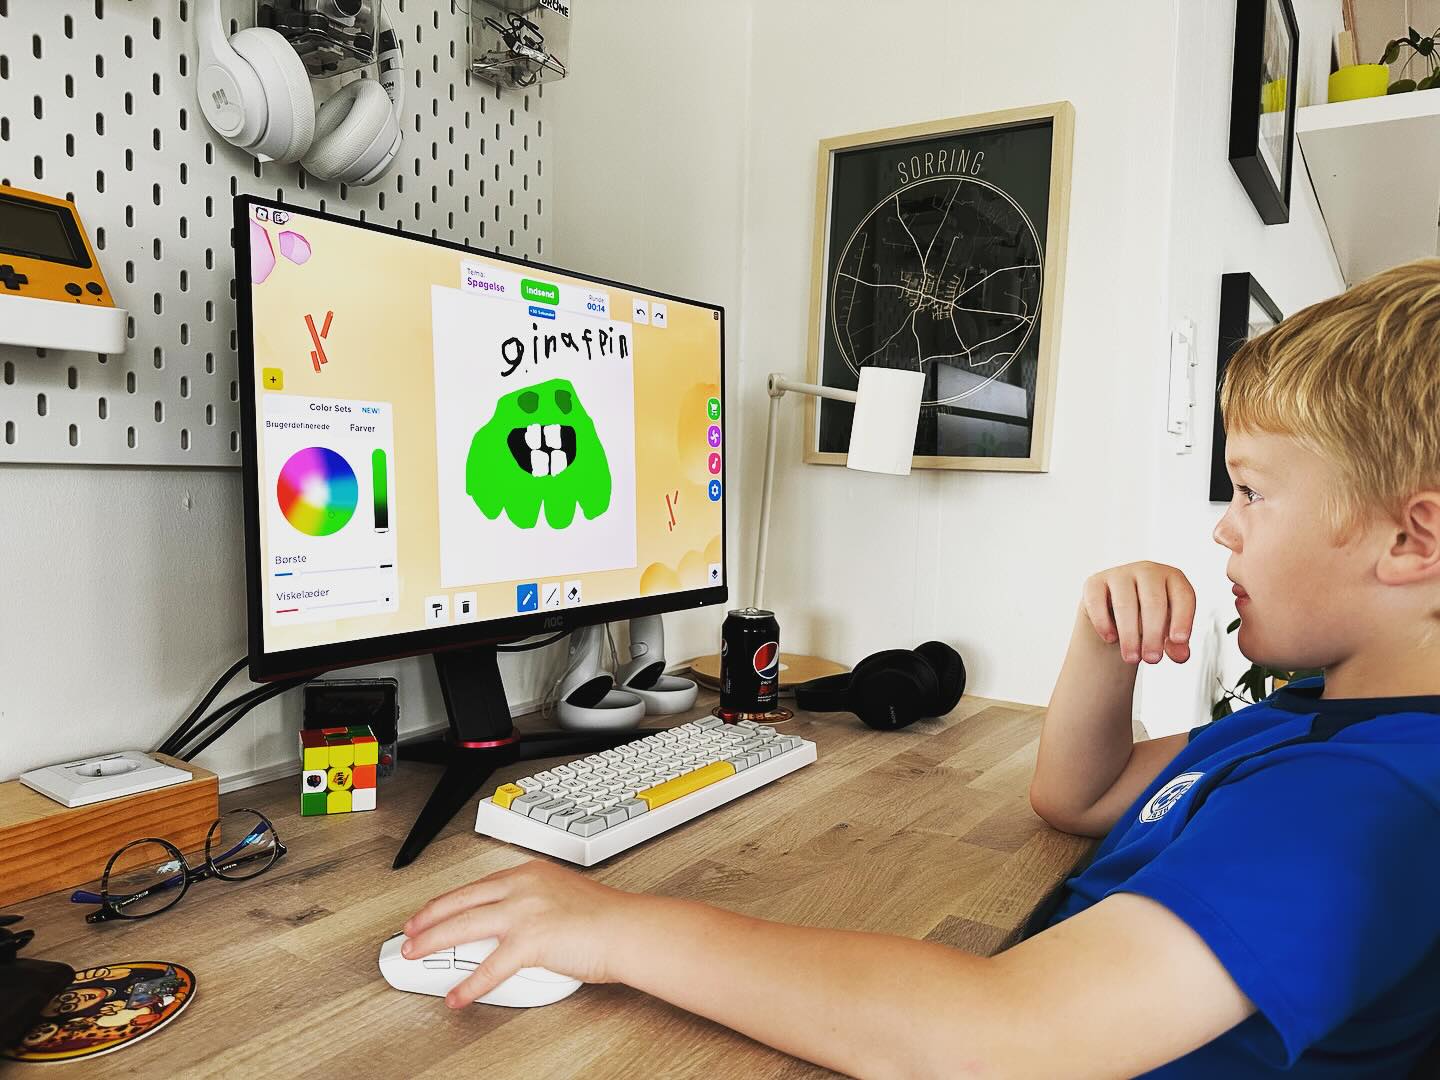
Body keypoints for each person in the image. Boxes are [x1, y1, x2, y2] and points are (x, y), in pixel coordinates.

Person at [401, 259, 1440, 1077]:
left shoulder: (1365, 799)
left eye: (1253, 491)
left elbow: (1003, 1044)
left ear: (1410, 540)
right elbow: (1077, 798)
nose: (1224, 528)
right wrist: (1101, 636)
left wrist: (618, 928)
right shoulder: (1316, 717)